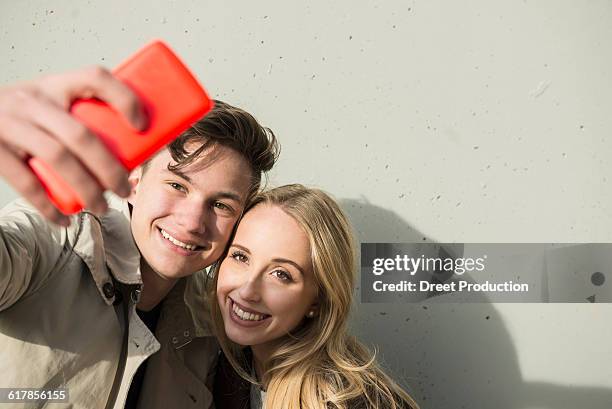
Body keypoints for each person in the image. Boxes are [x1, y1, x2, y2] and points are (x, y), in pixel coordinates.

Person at [0, 66, 279, 408]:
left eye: (220, 204)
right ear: (133, 181)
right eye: (177, 185)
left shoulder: (211, 325)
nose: (193, 222)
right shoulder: (54, 234)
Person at [209, 184, 420, 409]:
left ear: (318, 302)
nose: (248, 291)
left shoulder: (359, 403)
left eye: (281, 274)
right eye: (241, 257)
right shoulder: (229, 370)